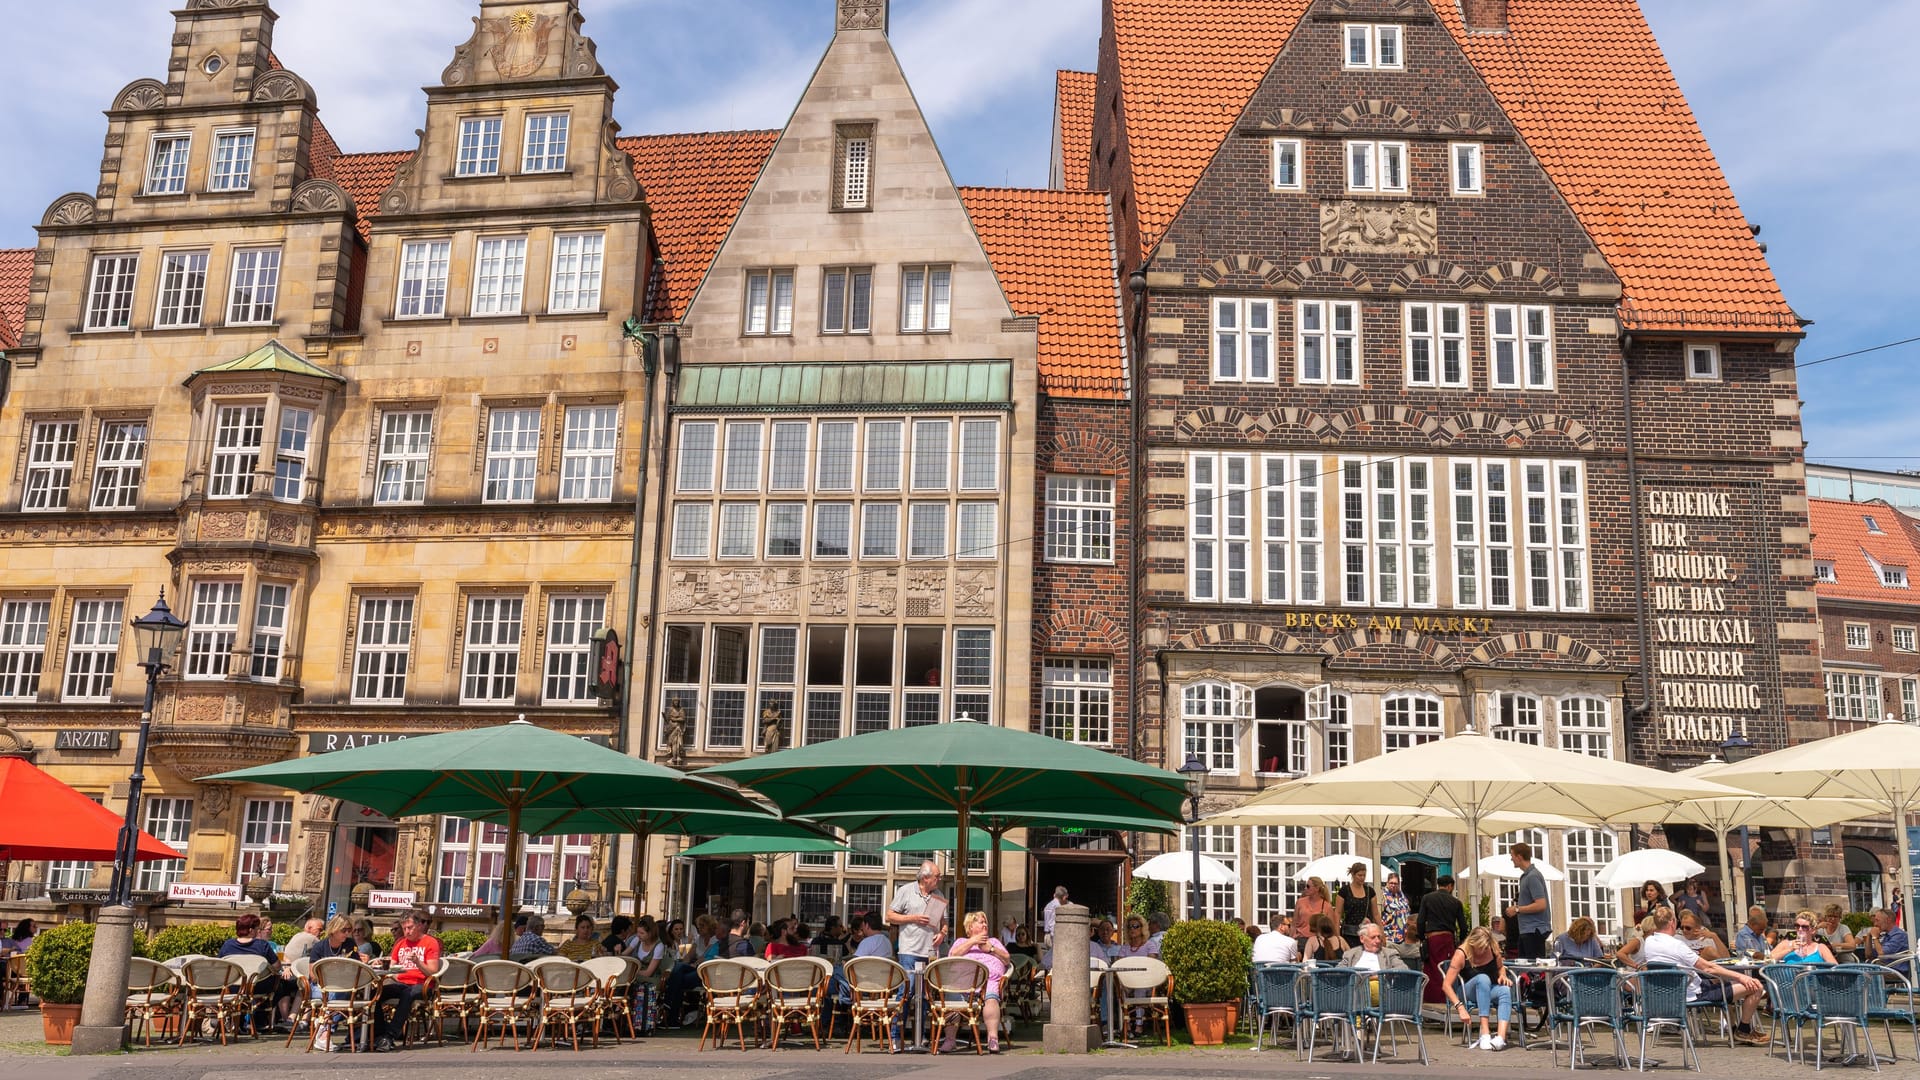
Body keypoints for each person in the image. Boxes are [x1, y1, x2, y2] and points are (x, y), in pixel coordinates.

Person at [1641, 905, 1770, 1044]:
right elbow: (1707, 968)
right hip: (1693, 994)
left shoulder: (1650, 942)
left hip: (1670, 993)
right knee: (1755, 986)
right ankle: (1743, 1031)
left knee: (1720, 984)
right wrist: (1741, 976)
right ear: (1673, 922)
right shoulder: (1677, 945)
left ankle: (1733, 1030)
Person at [886, 860, 947, 1044]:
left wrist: (943, 933)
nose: (939, 879)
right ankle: (896, 1036)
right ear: (925, 878)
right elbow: (889, 916)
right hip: (910, 950)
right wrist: (913, 918)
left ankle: (920, 1036)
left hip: (930, 952)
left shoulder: (938, 894)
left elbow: (944, 923)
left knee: (926, 995)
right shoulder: (906, 891)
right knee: (907, 991)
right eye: (937, 876)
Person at [372, 910, 442, 1052]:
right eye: (404, 928)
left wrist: (418, 962)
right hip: (401, 982)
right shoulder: (401, 943)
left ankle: (389, 1036)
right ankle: (380, 1035)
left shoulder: (430, 942)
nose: (407, 932)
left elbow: (433, 972)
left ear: (418, 926)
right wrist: (381, 965)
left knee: (408, 994)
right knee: (375, 995)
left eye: (410, 928)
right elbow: (392, 966)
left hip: (422, 984)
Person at [942, 911, 1009, 1053]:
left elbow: (1007, 959)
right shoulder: (961, 942)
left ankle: (992, 1038)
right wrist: (973, 941)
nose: (985, 924)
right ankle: (950, 1040)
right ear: (970, 926)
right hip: (962, 984)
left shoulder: (994, 942)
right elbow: (952, 955)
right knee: (951, 998)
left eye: (986, 922)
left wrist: (990, 949)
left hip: (988, 980)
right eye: (981, 922)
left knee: (991, 999)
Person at [218, 913, 293, 1032]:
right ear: (251, 930)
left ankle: (239, 1022)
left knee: (243, 991)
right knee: (282, 986)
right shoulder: (262, 945)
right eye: (257, 929)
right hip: (257, 986)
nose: (258, 931)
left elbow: (220, 964)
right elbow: (277, 966)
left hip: (233, 986)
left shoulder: (228, 945)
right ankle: (259, 1021)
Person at [1444, 927, 1514, 1051]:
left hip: (1488, 989)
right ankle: (1485, 1033)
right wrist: (1460, 1007)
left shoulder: (1493, 948)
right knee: (1482, 978)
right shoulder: (1461, 953)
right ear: (1472, 943)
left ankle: (1500, 1038)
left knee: (1505, 990)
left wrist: (1503, 975)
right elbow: (1446, 985)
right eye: (1480, 947)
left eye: (1485, 947)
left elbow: (1500, 967)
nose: (1483, 951)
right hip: (1467, 991)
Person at [305, 916, 359, 1052]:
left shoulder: (350, 944)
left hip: (343, 985)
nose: (347, 933)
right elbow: (312, 975)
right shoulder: (320, 947)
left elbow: (357, 967)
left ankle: (323, 1028)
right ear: (334, 930)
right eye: (344, 930)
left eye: (349, 930)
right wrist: (329, 971)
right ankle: (325, 1033)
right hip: (320, 986)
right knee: (339, 993)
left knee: (345, 992)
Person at [1415, 874, 1469, 1003]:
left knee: (1431, 970)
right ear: (1450, 886)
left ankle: (1430, 1001)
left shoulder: (1427, 898)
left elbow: (1420, 921)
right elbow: (1463, 926)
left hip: (1432, 938)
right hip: (1448, 939)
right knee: (1447, 969)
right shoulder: (1456, 902)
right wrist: (1462, 942)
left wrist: (1422, 937)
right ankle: (1446, 1000)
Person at [1504, 841, 1550, 960]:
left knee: (1532, 967)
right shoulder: (1527, 876)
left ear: (1519, 857)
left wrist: (1517, 909)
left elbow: (1541, 904)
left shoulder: (1532, 876)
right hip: (1528, 929)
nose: (1511, 859)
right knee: (1525, 965)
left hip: (1534, 929)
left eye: (1512, 856)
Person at [1768, 910, 1836, 966]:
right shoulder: (1786, 944)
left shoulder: (1820, 948)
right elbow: (1767, 960)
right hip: (1790, 982)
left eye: (1804, 927)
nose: (1800, 929)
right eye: (1797, 926)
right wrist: (1789, 950)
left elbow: (1835, 968)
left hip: (1814, 981)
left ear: (1813, 930)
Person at [1858, 906, 1910, 976]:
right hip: (1885, 968)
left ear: (1887, 920)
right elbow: (1868, 955)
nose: (1875, 924)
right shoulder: (1886, 935)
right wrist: (1869, 936)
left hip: (1896, 971)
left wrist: (1875, 937)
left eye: (1877, 920)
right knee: (1860, 970)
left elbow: (1882, 954)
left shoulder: (1899, 935)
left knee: (1864, 974)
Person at [1335, 862, 1379, 944]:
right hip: (1349, 933)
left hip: (1367, 932)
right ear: (1353, 874)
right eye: (1359, 875)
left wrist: (1381, 932)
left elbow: (1376, 914)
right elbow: (1337, 913)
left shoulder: (1370, 891)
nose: (1362, 878)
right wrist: (1337, 935)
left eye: (1364, 875)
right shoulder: (1344, 891)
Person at [1341, 921, 1407, 973]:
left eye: (1379, 937)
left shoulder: (1389, 954)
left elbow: (1403, 969)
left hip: (1380, 987)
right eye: (1373, 937)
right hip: (1355, 988)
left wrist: (1380, 976)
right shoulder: (1351, 954)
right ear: (1362, 939)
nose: (1377, 941)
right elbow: (1338, 972)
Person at [1291, 877, 1331, 941]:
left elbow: (1330, 927)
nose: (1305, 888)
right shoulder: (1300, 902)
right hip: (1301, 938)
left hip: (1319, 940)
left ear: (1317, 888)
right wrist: (1292, 938)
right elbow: (1294, 923)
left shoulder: (1327, 906)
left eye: (1308, 886)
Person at [1380, 872, 1410, 948]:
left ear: (1399, 884)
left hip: (1404, 937)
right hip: (1389, 936)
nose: (1393, 885)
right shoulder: (1382, 896)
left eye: (1395, 883)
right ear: (1387, 883)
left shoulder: (1401, 895)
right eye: (1391, 883)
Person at [1042, 885, 1068, 954]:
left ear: (1054, 895)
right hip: (1053, 936)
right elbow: (1054, 925)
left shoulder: (1048, 905)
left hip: (1047, 936)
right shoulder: (1058, 907)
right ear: (1064, 897)